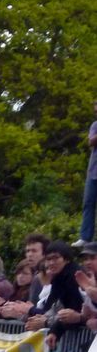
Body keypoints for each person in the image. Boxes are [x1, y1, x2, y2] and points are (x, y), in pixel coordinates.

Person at [74, 99, 97, 248]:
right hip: (93, 172)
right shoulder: (95, 125)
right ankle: (85, 237)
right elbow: (91, 141)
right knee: (88, 203)